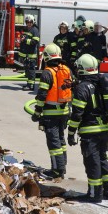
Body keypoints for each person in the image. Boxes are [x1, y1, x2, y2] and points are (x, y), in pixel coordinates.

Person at [66, 54, 108, 202]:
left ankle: (94, 194)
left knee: (92, 162)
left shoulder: (82, 88)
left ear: (82, 69)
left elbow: (77, 114)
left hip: (90, 130)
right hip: (105, 128)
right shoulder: (102, 83)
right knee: (102, 159)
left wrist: (71, 133)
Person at [31, 44, 72, 179]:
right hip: (64, 111)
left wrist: (37, 113)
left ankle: (56, 170)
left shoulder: (47, 72)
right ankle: (63, 167)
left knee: (54, 143)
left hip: (51, 113)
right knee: (61, 140)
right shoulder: (66, 70)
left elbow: (42, 95)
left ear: (47, 57)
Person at [19, 15, 40, 90]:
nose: (29, 23)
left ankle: (31, 86)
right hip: (26, 54)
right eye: (27, 22)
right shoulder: (26, 30)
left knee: (31, 71)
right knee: (27, 71)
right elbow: (23, 38)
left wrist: (25, 40)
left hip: (31, 55)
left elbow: (35, 41)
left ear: (33, 22)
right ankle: (28, 84)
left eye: (30, 22)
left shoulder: (35, 30)